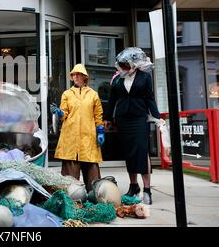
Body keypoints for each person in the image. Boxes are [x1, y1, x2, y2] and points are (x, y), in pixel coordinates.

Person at [103, 47, 164, 205]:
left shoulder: (144, 77)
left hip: (139, 119)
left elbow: (150, 98)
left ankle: (147, 189)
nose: (123, 67)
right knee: (129, 153)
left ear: (134, 64)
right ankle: (133, 186)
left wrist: (157, 118)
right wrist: (108, 118)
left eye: (125, 64)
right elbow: (112, 99)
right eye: (121, 65)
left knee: (141, 152)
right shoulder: (117, 78)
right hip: (123, 119)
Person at [50, 64, 105, 192]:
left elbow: (98, 115)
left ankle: (93, 197)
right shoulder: (67, 94)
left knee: (92, 174)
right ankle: (71, 199)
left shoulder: (93, 95)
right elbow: (64, 115)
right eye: (73, 74)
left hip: (88, 138)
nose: (75, 77)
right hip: (70, 138)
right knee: (70, 179)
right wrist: (59, 112)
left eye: (78, 74)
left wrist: (100, 131)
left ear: (84, 77)